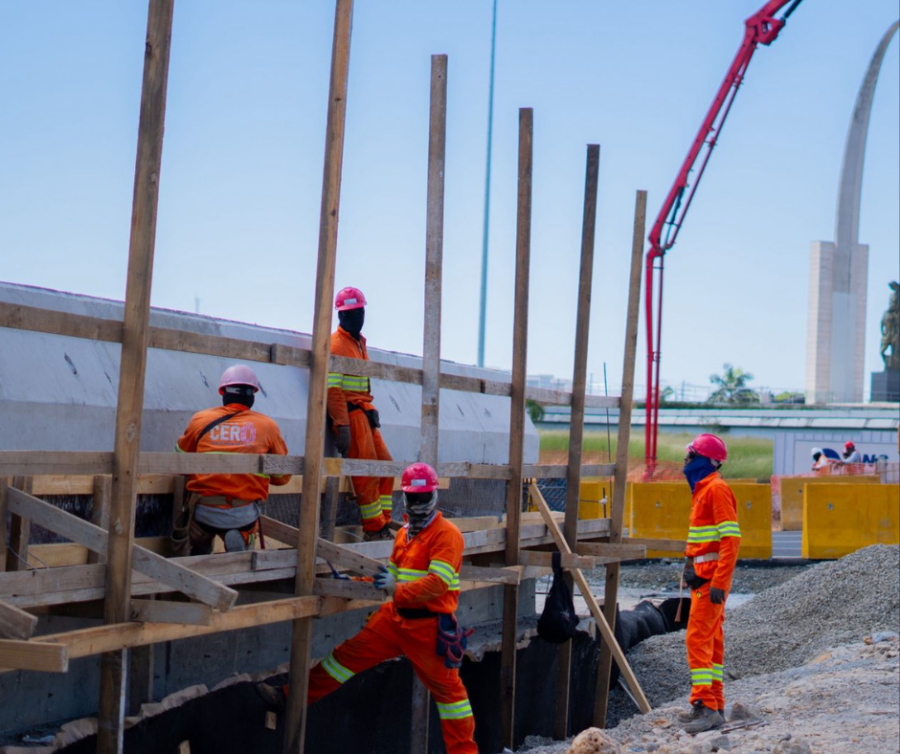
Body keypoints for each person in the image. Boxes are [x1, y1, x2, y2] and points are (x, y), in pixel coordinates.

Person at [257, 462, 477, 754]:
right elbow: (390, 576)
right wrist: (354, 583)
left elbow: (437, 583)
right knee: (342, 659)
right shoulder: (404, 535)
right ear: (407, 497)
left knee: (452, 698)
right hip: (394, 619)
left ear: (434, 495)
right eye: (414, 498)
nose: (418, 503)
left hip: (428, 627)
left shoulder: (446, 535)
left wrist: (395, 589)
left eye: (423, 498)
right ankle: (287, 696)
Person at [175, 364, 290, 554]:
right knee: (247, 525)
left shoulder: (200, 420)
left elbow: (178, 463)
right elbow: (283, 476)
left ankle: (201, 543)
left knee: (199, 534)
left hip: (205, 509)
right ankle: (243, 537)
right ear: (251, 396)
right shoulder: (267, 426)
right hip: (242, 512)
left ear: (223, 393)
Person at [677, 433, 742, 733]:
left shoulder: (716, 490)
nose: (686, 462)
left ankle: (703, 706)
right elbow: (705, 539)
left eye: (690, 456)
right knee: (712, 641)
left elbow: (731, 539)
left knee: (697, 640)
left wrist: (719, 581)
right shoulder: (703, 490)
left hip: (711, 583)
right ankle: (714, 705)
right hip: (704, 579)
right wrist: (691, 562)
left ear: (705, 461)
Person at [327, 286, 394, 541]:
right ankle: (374, 528)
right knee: (366, 471)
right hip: (351, 416)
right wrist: (342, 425)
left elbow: (359, 387)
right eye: (350, 313)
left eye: (358, 312)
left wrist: (371, 409)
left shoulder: (359, 344)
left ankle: (383, 523)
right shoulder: (336, 345)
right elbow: (333, 390)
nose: (355, 317)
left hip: (364, 413)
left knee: (386, 466)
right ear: (340, 316)